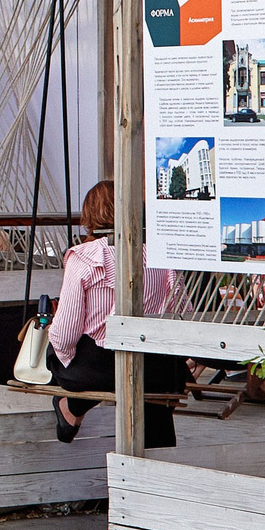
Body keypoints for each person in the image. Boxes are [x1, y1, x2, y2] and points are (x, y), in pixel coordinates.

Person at [47, 180, 183, 446]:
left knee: (57, 351)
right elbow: (182, 310)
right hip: (158, 368)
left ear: (90, 214)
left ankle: (71, 407)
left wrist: (63, 357)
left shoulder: (84, 257)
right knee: (148, 389)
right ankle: (158, 468)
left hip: (102, 367)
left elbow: (64, 335)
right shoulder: (159, 251)